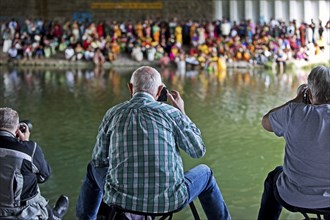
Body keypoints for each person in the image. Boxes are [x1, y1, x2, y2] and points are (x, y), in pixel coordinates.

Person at [76, 66, 231, 220]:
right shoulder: (171, 113)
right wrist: (182, 114)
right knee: (206, 172)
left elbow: (99, 160)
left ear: (131, 88)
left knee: (93, 167)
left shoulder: (113, 114)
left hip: (119, 200)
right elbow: (198, 151)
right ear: (160, 90)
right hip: (171, 201)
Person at [257, 66, 330, 220]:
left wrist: (296, 100)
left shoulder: (293, 112)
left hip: (292, 196)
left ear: (309, 94)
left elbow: (266, 121)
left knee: (274, 176)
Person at [0, 107, 69, 219]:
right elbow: (44, 177)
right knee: (32, 178)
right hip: (21, 211)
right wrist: (26, 142)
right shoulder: (30, 149)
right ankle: (54, 215)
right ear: (17, 128)